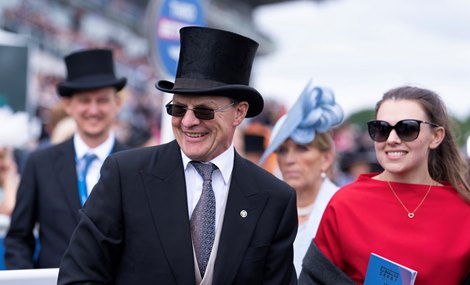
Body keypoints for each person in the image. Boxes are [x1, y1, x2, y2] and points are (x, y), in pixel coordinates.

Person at [58, 26, 298, 284]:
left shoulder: (274, 199)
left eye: (204, 111)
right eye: (178, 108)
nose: (188, 121)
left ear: (239, 113)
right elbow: (78, 275)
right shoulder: (125, 175)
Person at [299, 86, 470, 285]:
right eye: (381, 129)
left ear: (436, 136)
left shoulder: (463, 209)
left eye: (407, 129)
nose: (392, 140)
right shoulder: (346, 203)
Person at [4, 48, 128, 269]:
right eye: (84, 100)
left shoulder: (135, 165)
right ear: (68, 105)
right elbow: (18, 239)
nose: (93, 109)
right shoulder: (40, 163)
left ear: (117, 104)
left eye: (102, 100)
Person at [259, 80, 343, 277]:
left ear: (326, 158)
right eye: (282, 150)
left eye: (302, 148)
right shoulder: (264, 207)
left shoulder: (343, 209)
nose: (289, 160)